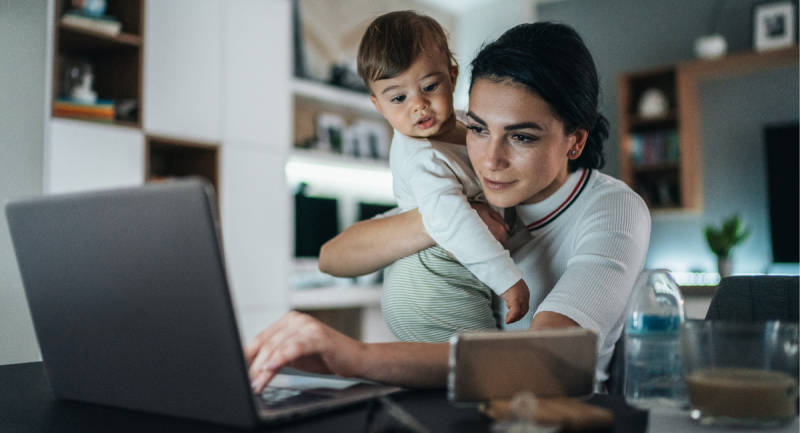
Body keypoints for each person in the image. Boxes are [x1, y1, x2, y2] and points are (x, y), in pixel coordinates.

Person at [246, 21, 650, 393]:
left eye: (521, 137)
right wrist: (442, 221)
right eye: (477, 128)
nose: (490, 160)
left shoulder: (613, 210)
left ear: (574, 142)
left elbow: (545, 359)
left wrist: (357, 358)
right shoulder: (464, 188)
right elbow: (332, 258)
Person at [357, 10, 529, 342]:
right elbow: (452, 221)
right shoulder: (421, 156)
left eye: (429, 86)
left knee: (474, 378)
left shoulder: (470, 124)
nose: (419, 105)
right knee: (486, 369)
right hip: (433, 289)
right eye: (398, 97)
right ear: (379, 106)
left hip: (454, 278)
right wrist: (507, 279)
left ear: (452, 77)